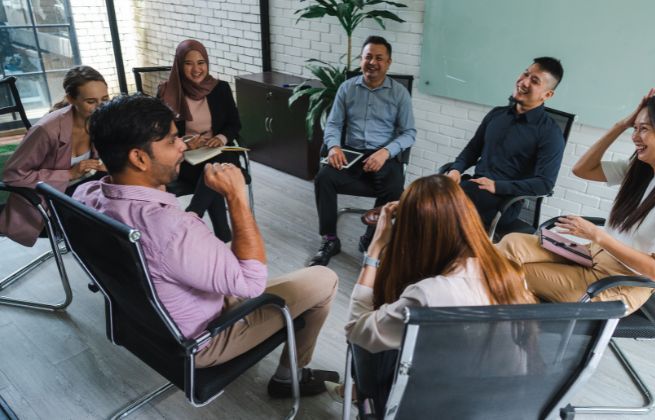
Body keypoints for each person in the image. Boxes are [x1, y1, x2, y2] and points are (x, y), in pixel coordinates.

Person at [74, 95, 339, 398]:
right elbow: (251, 283)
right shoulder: (174, 230)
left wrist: (193, 217)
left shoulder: (86, 194)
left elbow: (163, 245)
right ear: (139, 158)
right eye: (173, 140)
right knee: (324, 278)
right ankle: (287, 377)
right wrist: (236, 197)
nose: (183, 147)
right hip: (203, 338)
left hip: (141, 321)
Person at [497, 90, 655, 314]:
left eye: (643, 129)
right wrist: (621, 125)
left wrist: (597, 235)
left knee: (509, 272)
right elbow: (582, 169)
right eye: (634, 128)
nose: (634, 136)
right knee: (511, 243)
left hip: (620, 284)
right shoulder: (642, 170)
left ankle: (523, 325)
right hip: (592, 255)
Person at [340, 174, 537, 412]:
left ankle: (357, 392)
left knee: (374, 335)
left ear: (413, 234)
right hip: (501, 404)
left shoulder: (428, 294)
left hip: (438, 407)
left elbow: (356, 330)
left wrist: (374, 251)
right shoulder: (509, 274)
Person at [309, 35, 416, 267]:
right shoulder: (347, 88)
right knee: (324, 179)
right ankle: (329, 239)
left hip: (382, 155)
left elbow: (409, 133)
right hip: (351, 153)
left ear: (388, 62)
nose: (373, 62)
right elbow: (334, 124)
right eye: (368, 56)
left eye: (379, 58)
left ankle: (371, 237)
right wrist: (334, 146)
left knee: (395, 187)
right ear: (361, 60)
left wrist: (386, 152)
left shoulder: (400, 94)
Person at [446, 57, 565, 231]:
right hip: (473, 187)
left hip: (503, 203)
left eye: (534, 81)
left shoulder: (550, 133)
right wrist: (456, 169)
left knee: (439, 205)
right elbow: (472, 150)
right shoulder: (497, 115)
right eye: (526, 73)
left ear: (547, 94)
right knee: (433, 189)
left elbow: (545, 184)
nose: (523, 82)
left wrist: (497, 186)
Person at [1, 65, 108, 246]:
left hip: (80, 190)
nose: (100, 107)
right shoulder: (45, 130)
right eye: (91, 101)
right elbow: (12, 175)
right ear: (71, 99)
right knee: (104, 224)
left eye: (105, 99)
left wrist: (107, 164)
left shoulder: (100, 120)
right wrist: (69, 174)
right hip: (45, 201)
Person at [158, 39, 241, 242]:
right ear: (179, 65)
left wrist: (221, 138)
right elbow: (159, 133)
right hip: (185, 158)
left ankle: (193, 215)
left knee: (213, 169)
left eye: (201, 62)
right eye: (189, 63)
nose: (197, 69)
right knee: (213, 176)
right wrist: (185, 143)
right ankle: (223, 236)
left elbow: (234, 124)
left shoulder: (220, 88)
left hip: (219, 152)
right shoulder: (167, 92)